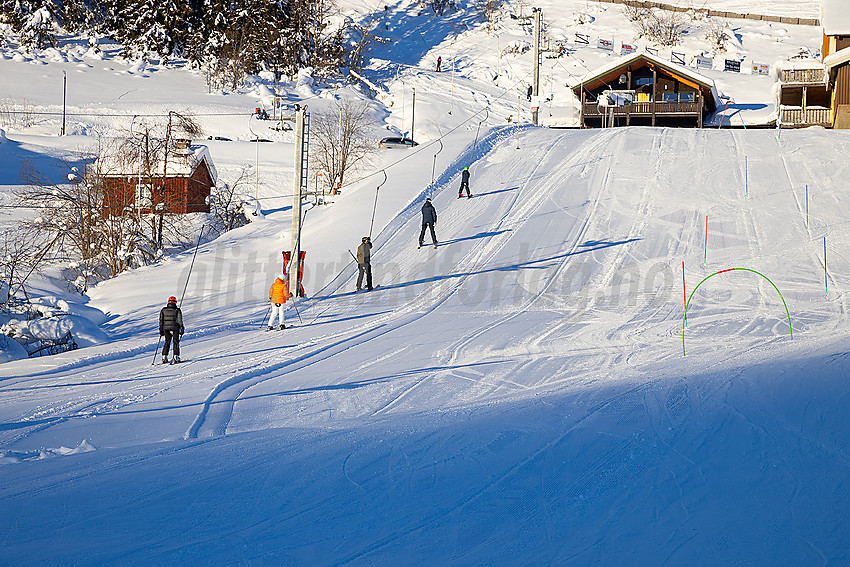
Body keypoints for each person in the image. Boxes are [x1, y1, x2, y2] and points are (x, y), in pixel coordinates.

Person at [159, 296, 184, 363]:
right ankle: (176, 357)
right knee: (176, 342)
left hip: (166, 328)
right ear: (175, 302)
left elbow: (161, 320)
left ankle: (164, 357)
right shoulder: (177, 310)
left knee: (167, 341)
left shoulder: (163, 310)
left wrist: (161, 328)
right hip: (175, 328)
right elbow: (180, 320)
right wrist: (181, 327)